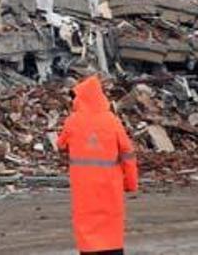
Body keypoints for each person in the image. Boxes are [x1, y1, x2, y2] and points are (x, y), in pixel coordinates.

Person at [57, 75, 138, 255]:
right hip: (110, 187)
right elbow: (128, 153)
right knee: (110, 230)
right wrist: (130, 183)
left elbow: (60, 145)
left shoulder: (73, 121)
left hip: (84, 189)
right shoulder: (112, 121)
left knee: (88, 233)